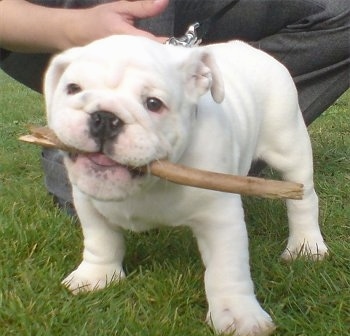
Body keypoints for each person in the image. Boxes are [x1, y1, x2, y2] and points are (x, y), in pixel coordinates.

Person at [1, 0, 349, 214]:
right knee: (108, 202)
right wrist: (74, 29)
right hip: (56, 14)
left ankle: (235, 136)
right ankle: (90, 153)